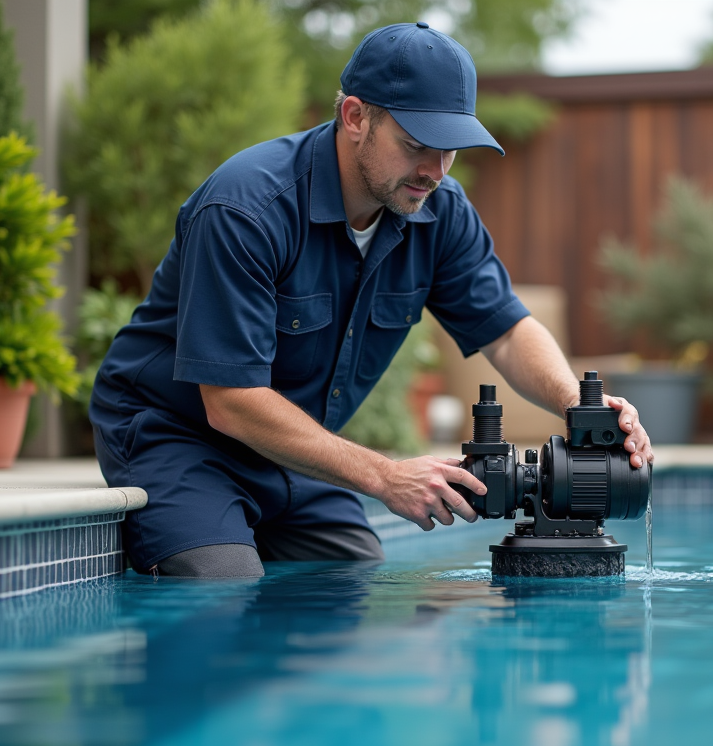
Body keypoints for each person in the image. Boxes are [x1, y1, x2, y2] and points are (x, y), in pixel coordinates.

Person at [90, 22, 654, 579]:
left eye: (450, 150)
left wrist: (579, 411)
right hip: (180, 438)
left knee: (349, 586)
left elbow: (505, 331)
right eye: (416, 145)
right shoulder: (246, 209)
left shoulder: (441, 211)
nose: (434, 170)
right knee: (220, 589)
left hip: (295, 453)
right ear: (355, 117)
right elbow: (231, 402)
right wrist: (384, 476)